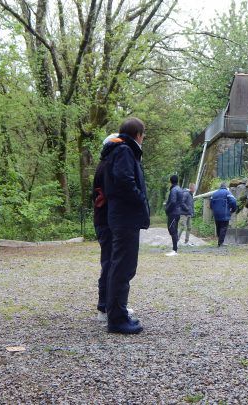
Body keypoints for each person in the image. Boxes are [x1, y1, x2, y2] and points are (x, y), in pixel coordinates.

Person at [92, 117, 149, 334]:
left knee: (119, 266)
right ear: (138, 134)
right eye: (143, 135)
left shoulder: (117, 152)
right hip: (125, 217)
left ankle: (117, 312)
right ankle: (116, 318)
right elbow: (124, 181)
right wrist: (139, 199)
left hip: (121, 217)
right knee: (122, 267)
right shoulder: (125, 151)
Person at [210, 182, 237, 247]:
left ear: (220, 187)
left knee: (218, 227)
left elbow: (211, 205)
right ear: (226, 187)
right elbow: (233, 201)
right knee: (223, 227)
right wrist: (233, 209)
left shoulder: (214, 194)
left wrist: (214, 210)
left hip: (216, 213)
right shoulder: (227, 193)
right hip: (224, 213)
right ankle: (220, 243)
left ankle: (219, 240)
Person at [164, 174, 184, 256]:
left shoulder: (174, 190)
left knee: (172, 229)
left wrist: (167, 210)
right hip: (177, 212)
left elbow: (172, 201)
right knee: (174, 229)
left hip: (173, 213)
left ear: (170, 181)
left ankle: (174, 250)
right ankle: (175, 249)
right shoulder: (179, 189)